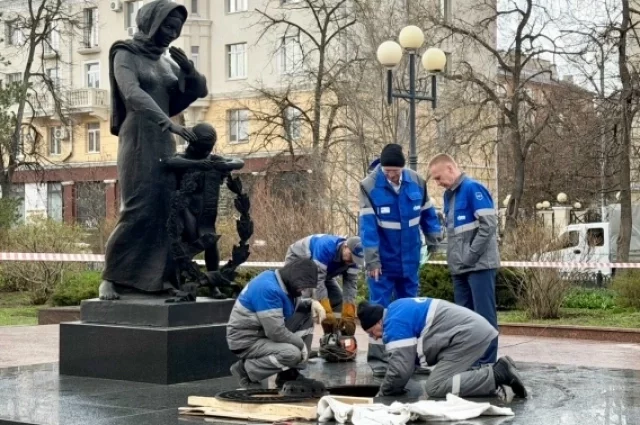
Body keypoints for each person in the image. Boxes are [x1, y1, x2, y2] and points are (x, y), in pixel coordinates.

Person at [99, 0, 209, 300]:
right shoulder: (125, 53)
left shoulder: (166, 61)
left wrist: (190, 71)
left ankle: (157, 280)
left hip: (164, 141)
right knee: (138, 208)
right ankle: (110, 277)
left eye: (177, 28)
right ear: (151, 23)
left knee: (166, 210)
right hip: (137, 139)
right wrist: (168, 122)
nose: (172, 33)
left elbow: (198, 91)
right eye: (168, 26)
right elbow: (132, 93)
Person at [358, 143, 442, 370]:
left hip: (410, 260)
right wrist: (372, 260)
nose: (391, 175)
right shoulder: (369, 186)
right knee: (378, 308)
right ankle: (379, 361)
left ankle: (411, 358)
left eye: (395, 171)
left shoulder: (417, 182)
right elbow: (367, 228)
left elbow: (428, 213)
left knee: (410, 309)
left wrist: (434, 238)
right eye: (387, 171)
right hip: (382, 264)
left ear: (403, 168)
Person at [357, 298, 527, 399]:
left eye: (372, 332)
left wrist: (383, 395)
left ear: (378, 322)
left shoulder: (393, 325)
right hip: (469, 332)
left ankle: (498, 374)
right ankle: (499, 369)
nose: (376, 337)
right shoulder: (397, 309)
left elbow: (400, 370)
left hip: (466, 336)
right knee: (446, 377)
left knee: (435, 387)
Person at [428, 153, 500, 365]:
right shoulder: (448, 196)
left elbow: (488, 226)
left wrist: (470, 256)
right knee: (465, 319)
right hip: (460, 268)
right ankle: (470, 361)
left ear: (450, 168)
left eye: (438, 177)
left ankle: (486, 363)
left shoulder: (473, 188)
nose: (438, 183)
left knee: (484, 317)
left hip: (479, 266)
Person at [226, 259, 325, 389]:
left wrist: (311, 303)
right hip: (246, 340)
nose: (302, 290)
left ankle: (289, 374)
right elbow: (275, 332)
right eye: (301, 286)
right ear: (293, 276)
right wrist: (301, 345)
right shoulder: (268, 288)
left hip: (262, 331)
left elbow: (283, 307)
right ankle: (245, 370)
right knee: (291, 354)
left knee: (306, 313)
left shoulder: (283, 283)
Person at [285, 234, 365, 335]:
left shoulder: (354, 261)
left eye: (355, 259)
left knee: (337, 300)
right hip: (298, 261)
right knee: (304, 301)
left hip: (322, 273)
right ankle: (291, 334)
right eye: (351, 256)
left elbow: (350, 286)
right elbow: (318, 281)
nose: (352, 261)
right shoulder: (326, 247)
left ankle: (332, 337)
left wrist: (348, 316)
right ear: (345, 246)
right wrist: (326, 313)